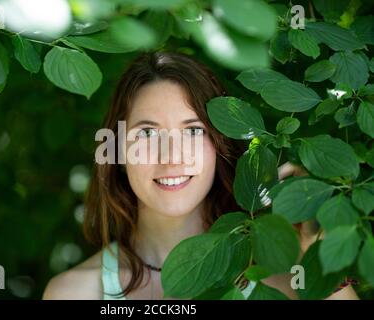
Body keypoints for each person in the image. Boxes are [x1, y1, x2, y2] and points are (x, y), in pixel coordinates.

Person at [43, 51, 358, 300]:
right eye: (147, 134)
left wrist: (315, 255)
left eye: (193, 131)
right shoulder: (73, 293)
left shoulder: (285, 280)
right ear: (118, 153)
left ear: (220, 144)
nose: (171, 156)